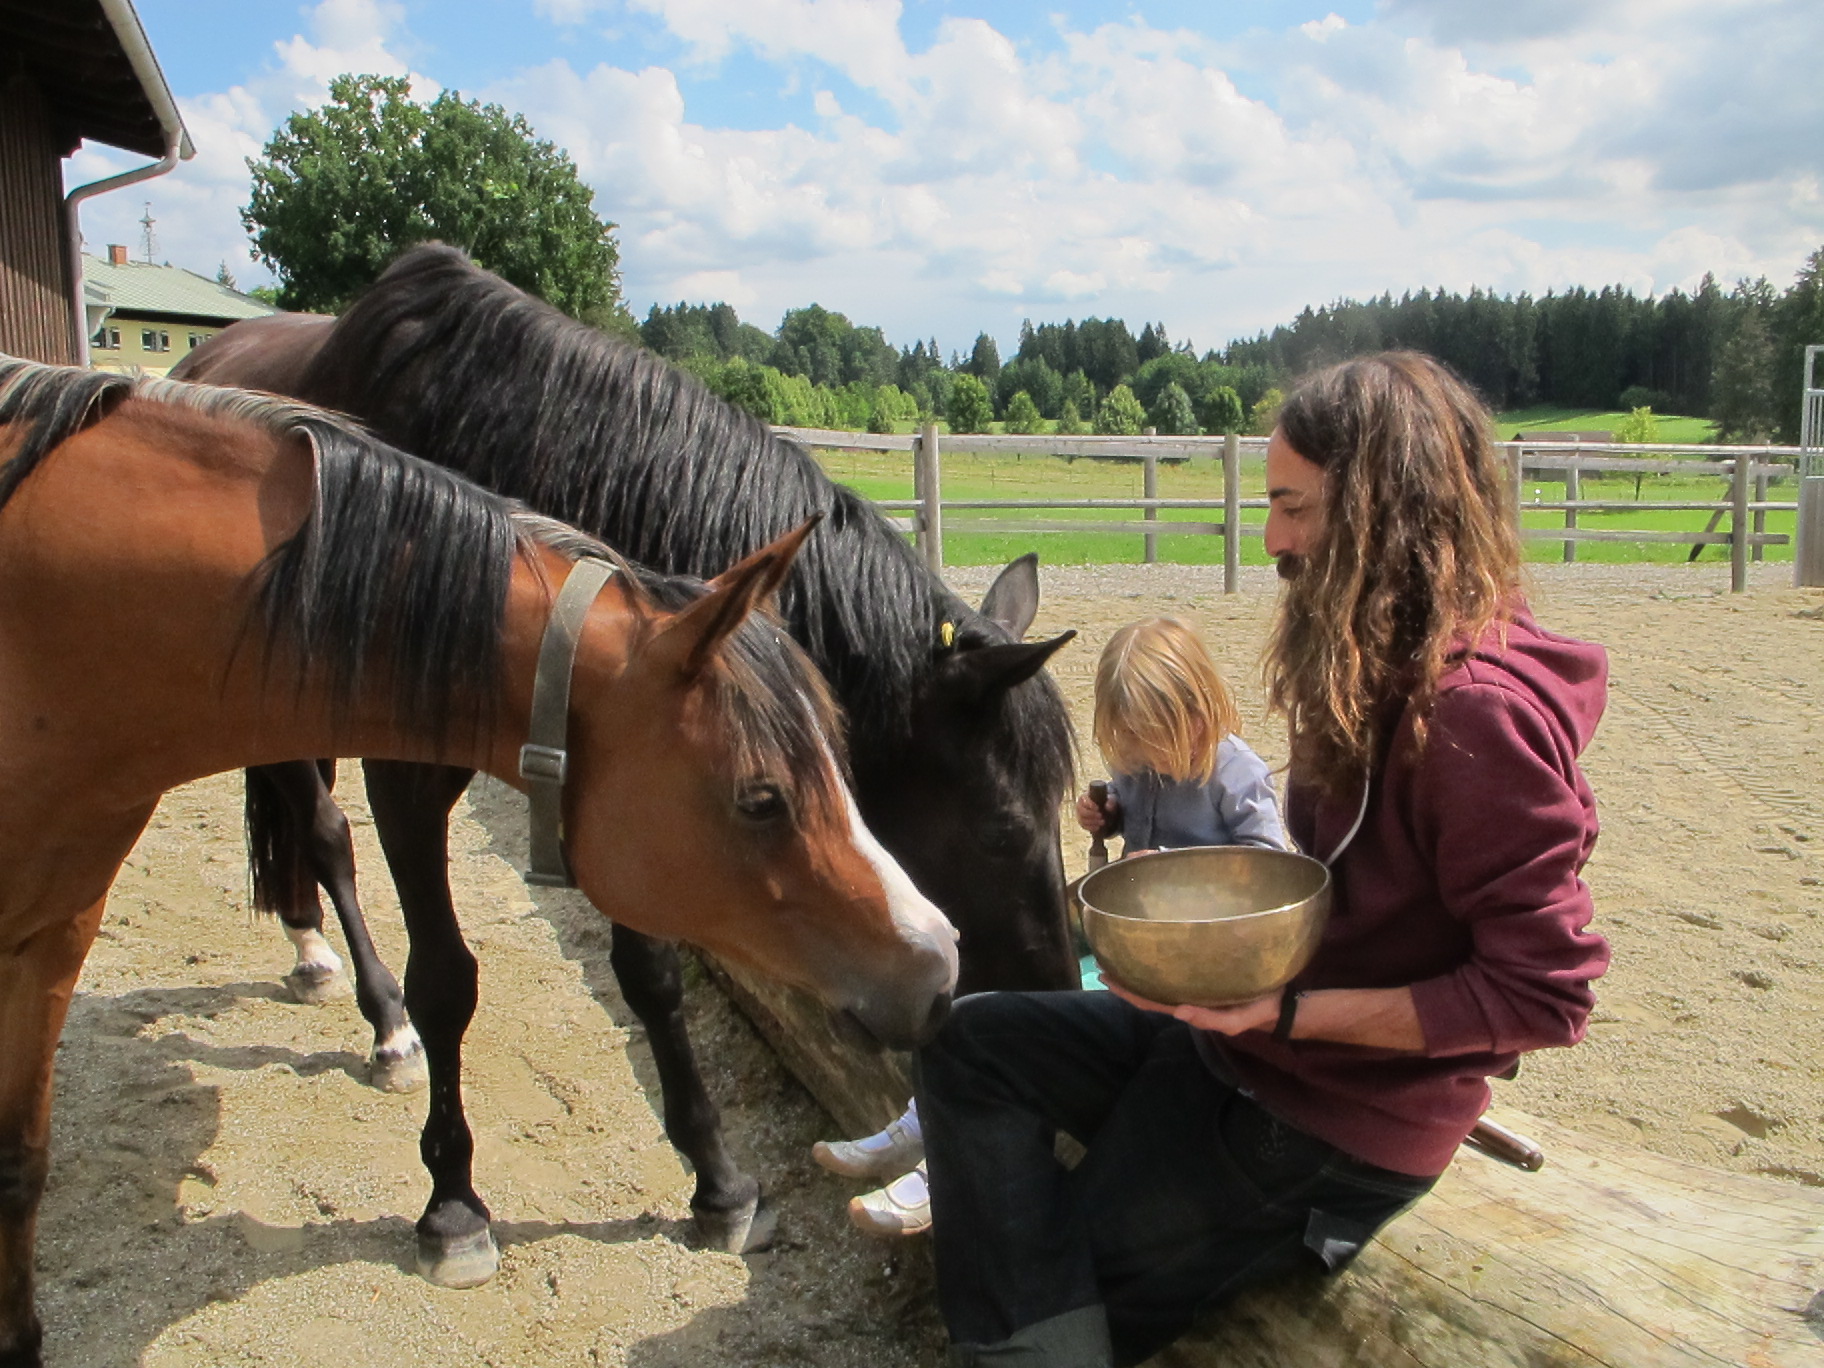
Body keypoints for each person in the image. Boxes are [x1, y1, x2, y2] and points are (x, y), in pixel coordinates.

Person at [911, 351, 1612, 1367]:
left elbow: (1547, 996)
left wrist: (1286, 1013)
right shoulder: (1373, 658)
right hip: (1245, 1041)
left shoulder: (1475, 720)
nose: (1273, 537)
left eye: (1296, 507)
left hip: (1332, 1117)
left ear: (1388, 511)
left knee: (1062, 1265)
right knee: (967, 1045)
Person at [814, 619, 1288, 1238]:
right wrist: (1108, 816)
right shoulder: (1147, 768)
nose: (1143, 761)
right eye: (1132, 748)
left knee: (1034, 1040)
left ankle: (941, 1173)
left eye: (1153, 743)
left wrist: (1177, 871)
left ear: (1197, 711)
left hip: (1196, 969)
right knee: (1002, 989)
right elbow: (1130, 810)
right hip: (1136, 946)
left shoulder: (1237, 775)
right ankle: (917, 1122)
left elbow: (1270, 867)